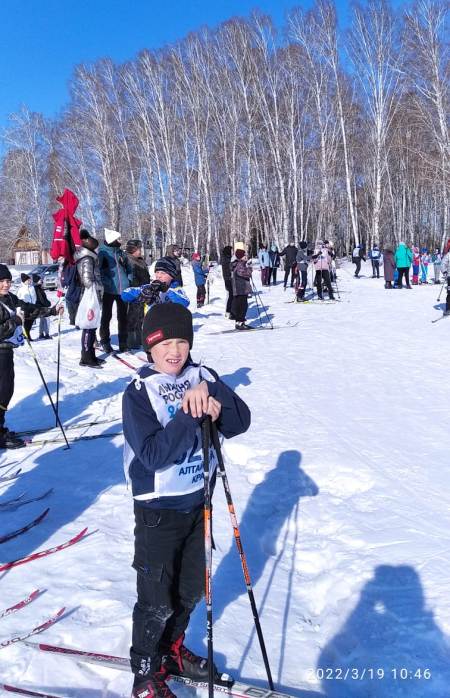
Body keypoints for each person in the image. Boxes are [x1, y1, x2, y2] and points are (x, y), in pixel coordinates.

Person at [123, 303, 251, 698]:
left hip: (201, 505)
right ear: (150, 347)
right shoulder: (140, 391)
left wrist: (212, 394)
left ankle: (172, 650)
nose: (174, 351)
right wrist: (189, 415)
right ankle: (145, 672)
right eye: (165, 344)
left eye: (181, 341)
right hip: (158, 510)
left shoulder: (204, 376)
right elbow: (152, 454)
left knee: (192, 587)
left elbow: (239, 421)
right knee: (156, 598)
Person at [0, 264, 63, 449]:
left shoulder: (10, 298)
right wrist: (15, 322)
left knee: (6, 391)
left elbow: (28, 309)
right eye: (1, 281)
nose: (5, 285)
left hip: (6, 351)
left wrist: (51, 311)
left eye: (8, 281)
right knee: (3, 392)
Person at [98, 228, 132, 354]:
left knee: (123, 317)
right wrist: (107, 283)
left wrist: (129, 279)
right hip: (109, 290)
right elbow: (99, 271)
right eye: (118, 238)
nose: (120, 241)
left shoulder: (120, 253)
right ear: (112, 240)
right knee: (106, 316)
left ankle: (123, 343)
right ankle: (105, 341)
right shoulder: (103, 253)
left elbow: (128, 268)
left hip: (123, 290)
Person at [75, 230, 104, 368]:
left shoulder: (90, 257)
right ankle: (86, 357)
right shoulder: (87, 258)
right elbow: (87, 280)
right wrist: (97, 288)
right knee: (88, 326)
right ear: (85, 241)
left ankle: (91, 355)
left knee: (92, 327)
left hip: (93, 294)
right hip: (89, 295)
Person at [122, 257, 190, 311]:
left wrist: (166, 290)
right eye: (157, 272)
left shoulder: (176, 289)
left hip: (169, 326)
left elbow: (184, 303)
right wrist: (143, 292)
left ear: (172, 276)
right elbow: (125, 294)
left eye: (163, 273)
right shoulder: (150, 287)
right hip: (151, 325)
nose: (159, 276)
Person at [125, 239, 151, 350]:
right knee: (132, 316)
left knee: (141, 315)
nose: (140, 251)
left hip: (143, 291)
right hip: (133, 292)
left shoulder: (140, 260)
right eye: (138, 249)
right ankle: (131, 340)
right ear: (132, 249)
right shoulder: (128, 260)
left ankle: (139, 337)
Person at [231, 249, 253, 330]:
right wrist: (250, 268)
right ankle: (240, 323)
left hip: (240, 288)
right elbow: (246, 274)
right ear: (241, 257)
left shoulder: (240, 264)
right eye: (244, 255)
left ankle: (239, 322)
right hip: (241, 289)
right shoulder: (240, 264)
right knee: (242, 306)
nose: (246, 256)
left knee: (241, 306)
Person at [61, 260, 82, 326]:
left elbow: (64, 279)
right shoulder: (71, 265)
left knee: (73, 305)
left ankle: (73, 321)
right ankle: (74, 321)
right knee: (74, 305)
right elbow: (65, 279)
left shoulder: (66, 265)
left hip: (73, 288)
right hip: (73, 288)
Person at [17, 273, 37, 340]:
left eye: (29, 280)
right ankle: (27, 335)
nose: (29, 281)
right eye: (27, 280)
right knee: (26, 323)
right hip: (25, 308)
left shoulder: (32, 288)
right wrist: (19, 310)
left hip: (32, 307)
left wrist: (34, 304)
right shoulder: (21, 289)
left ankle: (27, 334)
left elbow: (35, 297)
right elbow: (18, 299)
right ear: (24, 281)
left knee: (31, 322)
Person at [32, 274, 52, 339]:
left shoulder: (37, 287)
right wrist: (48, 304)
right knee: (46, 320)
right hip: (42, 307)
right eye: (40, 280)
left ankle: (41, 334)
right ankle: (46, 334)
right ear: (37, 281)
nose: (41, 281)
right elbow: (41, 299)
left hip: (40, 306)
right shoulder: (37, 288)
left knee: (42, 320)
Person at [220, 245, 234, 319]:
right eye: (231, 251)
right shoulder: (226, 259)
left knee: (231, 295)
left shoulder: (227, 258)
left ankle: (230, 311)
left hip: (229, 278)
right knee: (231, 295)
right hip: (228, 279)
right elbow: (229, 268)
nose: (232, 252)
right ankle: (228, 311)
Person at [441, 251, 450, 316]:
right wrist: (444, 271)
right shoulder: (448, 255)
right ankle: (448, 308)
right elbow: (443, 263)